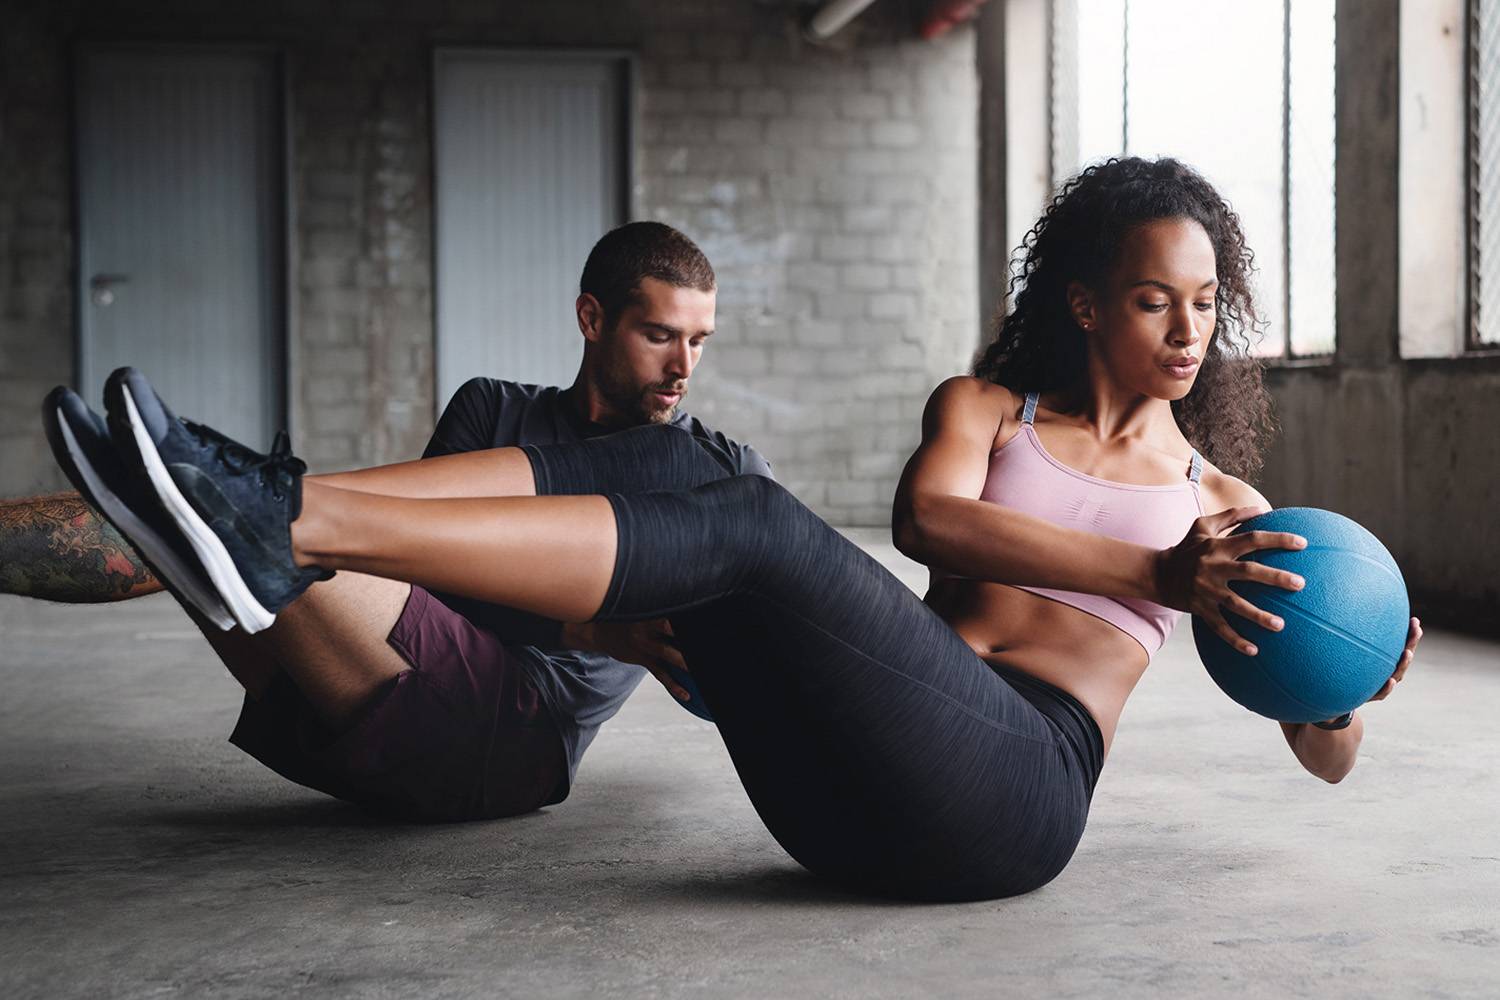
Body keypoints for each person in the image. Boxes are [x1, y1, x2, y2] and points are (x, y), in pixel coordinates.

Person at [50, 158, 1421, 901]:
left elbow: (1324, 753)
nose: (1186, 332)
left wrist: (1354, 683)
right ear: (1084, 302)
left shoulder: (1225, 510)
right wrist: (1149, 568)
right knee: (673, 472)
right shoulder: (986, 412)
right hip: (837, 811)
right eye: (1152, 300)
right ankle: (276, 512)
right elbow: (924, 516)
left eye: (1202, 305)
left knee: (740, 508)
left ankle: (276, 515)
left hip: (1012, 800)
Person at [16, 221, 770, 822]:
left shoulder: (694, 468)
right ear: (592, 318)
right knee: (180, 527)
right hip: (363, 695)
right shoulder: (492, 407)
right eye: (661, 335)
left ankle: (207, 500)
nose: (684, 367)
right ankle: (182, 505)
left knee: (230, 524)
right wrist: (587, 623)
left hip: (512, 735)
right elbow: (405, 565)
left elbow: (787, 576)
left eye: (698, 341)